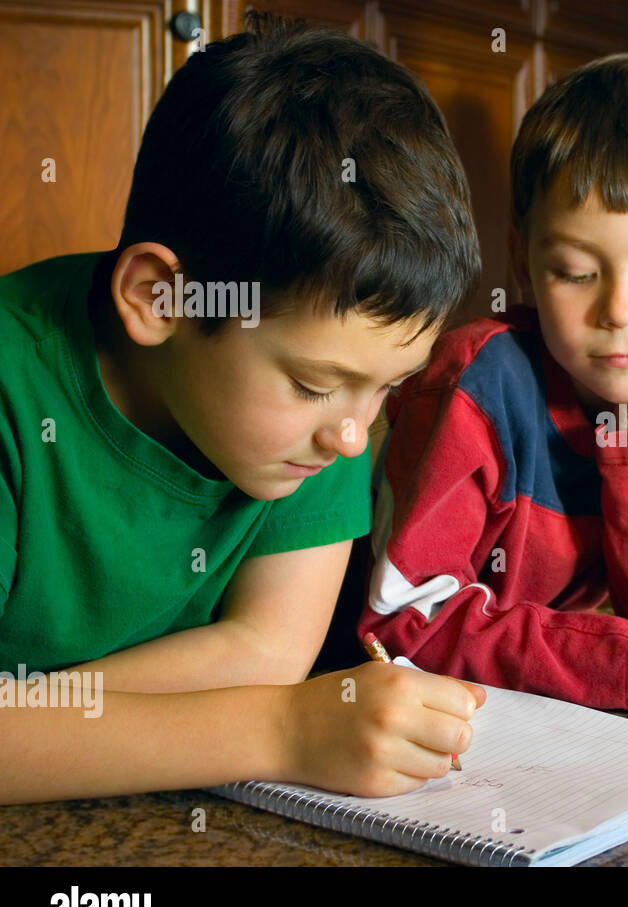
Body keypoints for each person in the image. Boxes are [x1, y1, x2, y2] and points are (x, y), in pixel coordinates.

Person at [0, 14, 486, 803]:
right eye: (312, 384)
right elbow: (270, 695)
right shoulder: (12, 387)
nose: (355, 435)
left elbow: (267, 650)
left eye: (389, 385)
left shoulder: (327, 417)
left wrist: (35, 722)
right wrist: (281, 731)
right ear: (160, 297)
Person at [358, 54, 628, 721]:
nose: (622, 310)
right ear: (525, 268)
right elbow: (404, 628)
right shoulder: (478, 386)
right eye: (575, 271)